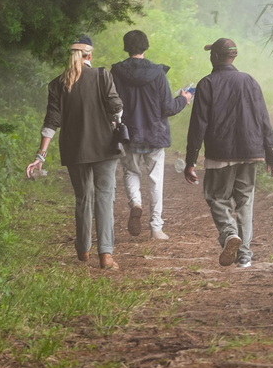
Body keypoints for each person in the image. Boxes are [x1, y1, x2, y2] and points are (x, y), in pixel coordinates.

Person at [27, 34, 125, 270]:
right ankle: (106, 255)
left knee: (83, 198)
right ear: (89, 54)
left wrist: (40, 156)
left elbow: (51, 122)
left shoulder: (57, 84)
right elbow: (117, 108)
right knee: (104, 197)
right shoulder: (102, 76)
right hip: (104, 147)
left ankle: (83, 249)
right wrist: (114, 122)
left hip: (74, 149)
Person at [184, 37, 273, 268]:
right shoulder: (250, 81)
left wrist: (191, 160)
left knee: (218, 198)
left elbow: (199, 125)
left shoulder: (207, 84)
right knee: (245, 200)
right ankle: (244, 254)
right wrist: (271, 154)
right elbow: (263, 119)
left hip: (220, 153)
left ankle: (229, 234)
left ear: (215, 57)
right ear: (233, 57)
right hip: (250, 151)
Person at [111, 30, 192, 240]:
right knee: (155, 180)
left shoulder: (116, 73)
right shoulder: (158, 74)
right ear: (145, 47)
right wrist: (183, 99)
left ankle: (135, 203)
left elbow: (111, 104)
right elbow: (167, 107)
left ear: (126, 47)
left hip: (128, 134)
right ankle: (156, 228)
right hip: (154, 135)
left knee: (131, 172)